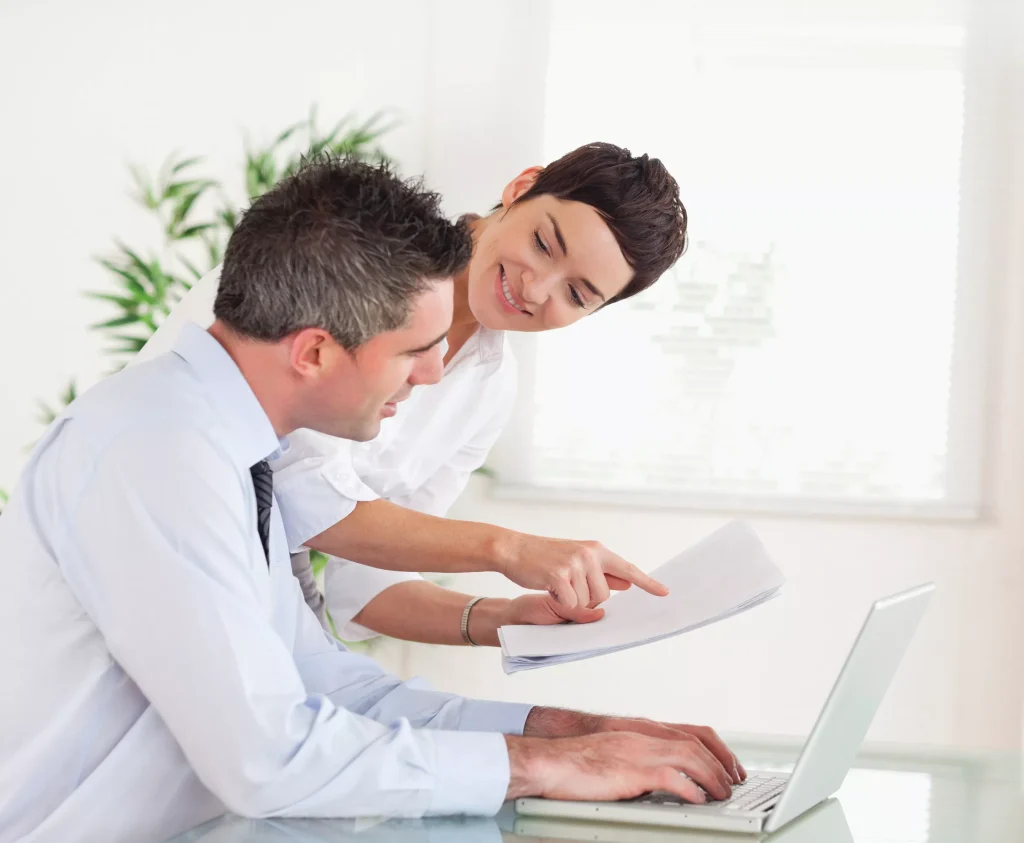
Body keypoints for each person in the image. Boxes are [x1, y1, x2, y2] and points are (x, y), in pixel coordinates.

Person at [0, 158, 743, 843]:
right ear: (317, 350)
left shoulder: (238, 461)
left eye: (580, 293)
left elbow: (331, 672)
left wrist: (566, 732)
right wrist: (543, 757)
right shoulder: (166, 450)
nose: (431, 376)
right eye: (413, 353)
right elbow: (269, 755)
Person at [138, 142, 687, 646]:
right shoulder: (348, 257)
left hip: (263, 585)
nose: (535, 288)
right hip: (166, 530)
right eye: (543, 243)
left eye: (576, 294)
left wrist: (509, 619)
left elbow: (371, 585)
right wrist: (509, 549)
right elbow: (303, 498)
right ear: (520, 188)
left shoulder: (491, 389)